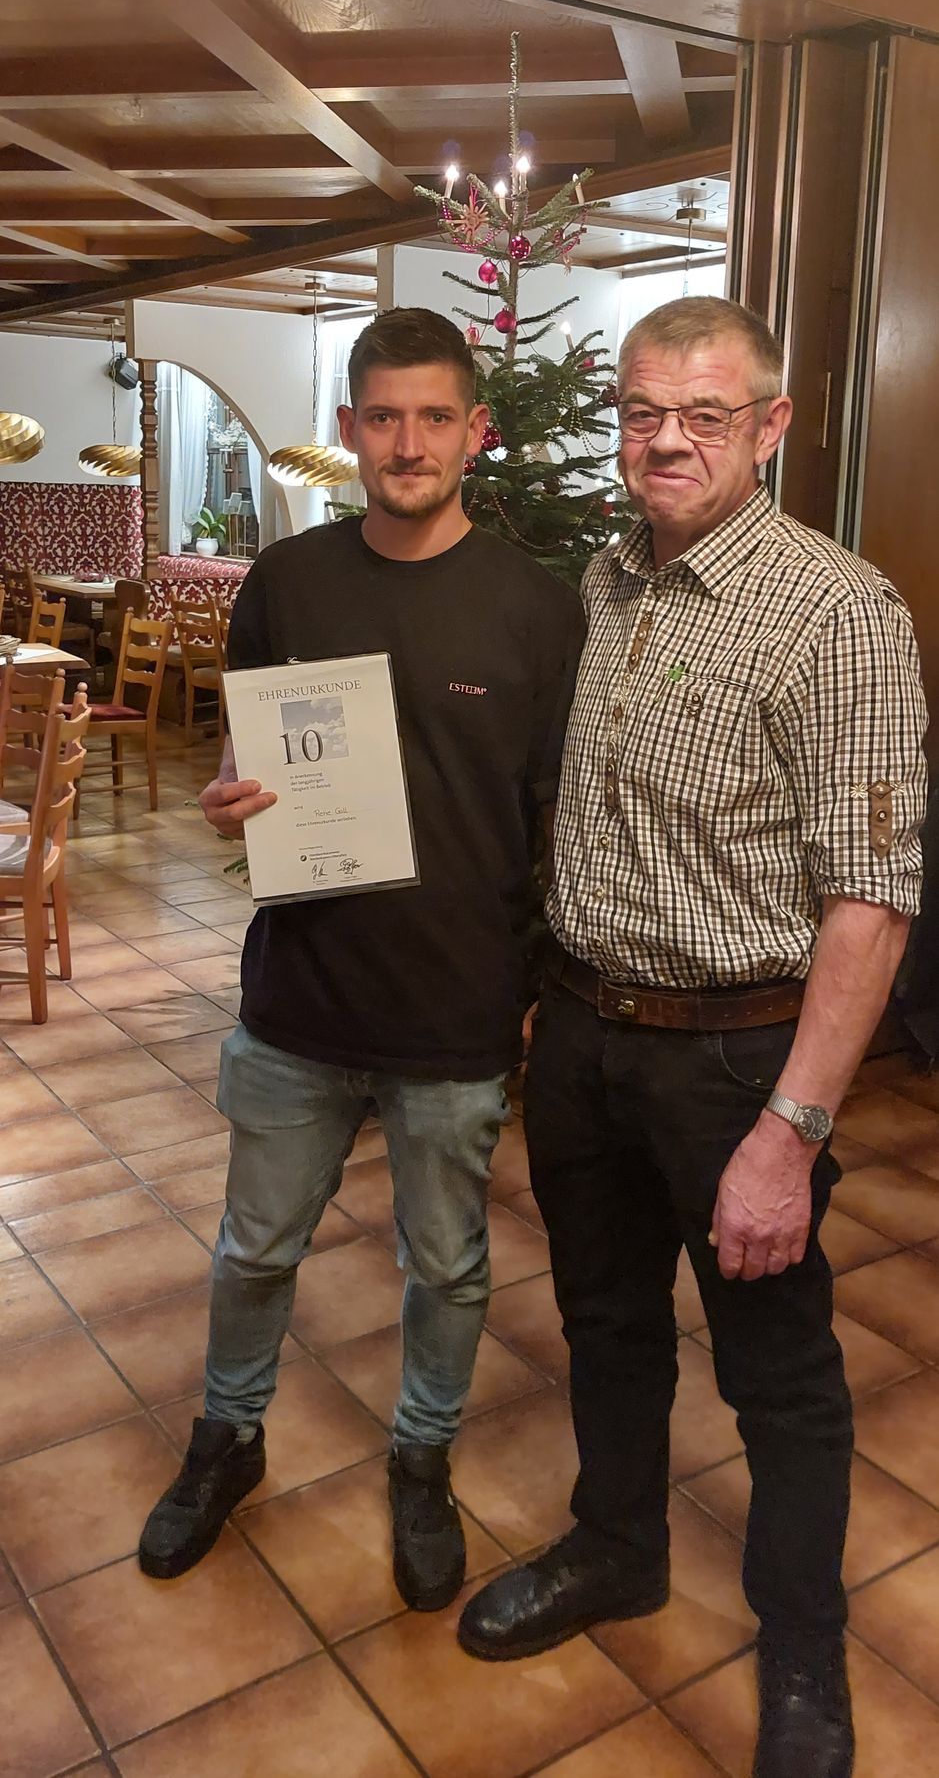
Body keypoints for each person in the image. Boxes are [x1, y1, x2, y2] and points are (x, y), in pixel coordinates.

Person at [459, 297, 928, 1778]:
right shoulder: (598, 588)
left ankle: (802, 1652)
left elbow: (873, 899)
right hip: (586, 1037)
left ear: (771, 429)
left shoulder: (839, 611)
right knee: (603, 1328)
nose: (667, 438)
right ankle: (620, 1549)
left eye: (706, 415)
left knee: (778, 1379)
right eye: (644, 409)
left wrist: (787, 1136)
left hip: (737, 1062)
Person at [139, 306, 584, 1610]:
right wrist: (226, 799)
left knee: (446, 1264)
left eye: (433, 417)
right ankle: (227, 1437)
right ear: (349, 430)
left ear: (474, 433)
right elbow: (239, 762)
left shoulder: (536, 609)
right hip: (299, 997)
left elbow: (556, 820)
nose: (407, 441)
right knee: (255, 1250)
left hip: (456, 1008)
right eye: (382, 416)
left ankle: (423, 1456)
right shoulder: (292, 580)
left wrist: (537, 994)